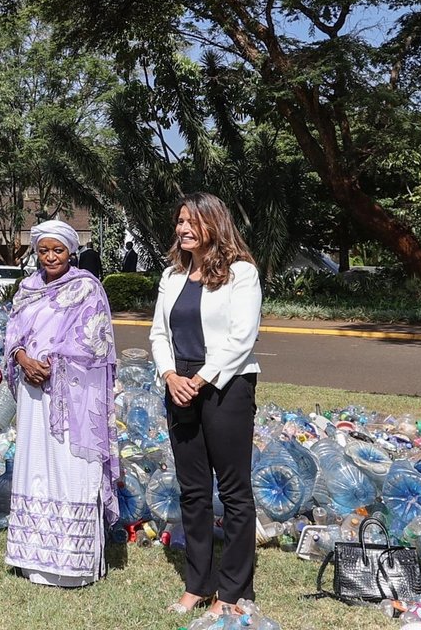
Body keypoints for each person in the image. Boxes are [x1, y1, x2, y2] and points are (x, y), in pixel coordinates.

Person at [148, 194, 262, 616]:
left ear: (215, 224)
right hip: (179, 385)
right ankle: (198, 583)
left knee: (233, 492)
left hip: (225, 387)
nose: (183, 228)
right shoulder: (172, 276)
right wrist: (170, 376)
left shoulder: (241, 274)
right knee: (192, 491)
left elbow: (241, 337)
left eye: (192, 221)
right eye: (179, 221)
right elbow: (159, 334)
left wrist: (200, 379)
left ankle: (233, 591)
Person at [2, 219, 117, 588]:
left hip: (74, 397)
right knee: (36, 465)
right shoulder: (27, 289)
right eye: (44, 250)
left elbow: (97, 343)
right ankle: (32, 559)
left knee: (71, 468)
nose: (51, 257)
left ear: (71, 252)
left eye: (58, 250)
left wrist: (53, 362)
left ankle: (74, 565)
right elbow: (12, 335)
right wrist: (22, 358)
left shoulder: (87, 289)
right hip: (33, 394)